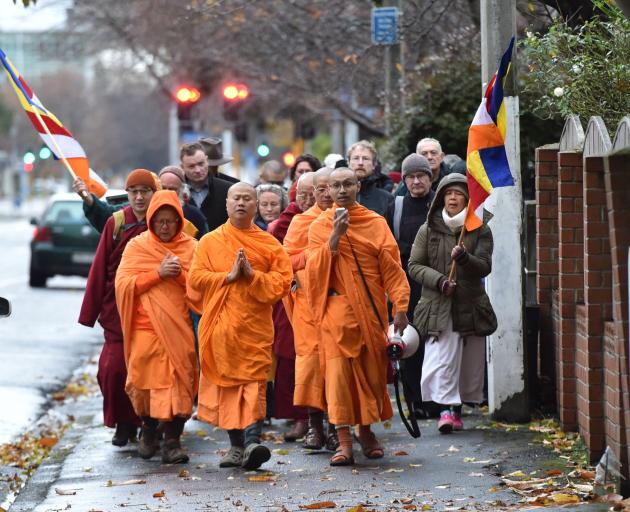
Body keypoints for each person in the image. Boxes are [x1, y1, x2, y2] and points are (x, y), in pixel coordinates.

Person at [305, 167, 410, 466]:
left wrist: (400, 305)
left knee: (370, 374)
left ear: (358, 186)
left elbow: (392, 267)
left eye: (347, 184)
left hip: (370, 312)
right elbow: (312, 274)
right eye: (334, 186)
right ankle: (344, 441)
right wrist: (334, 238)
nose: (340, 191)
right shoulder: (320, 227)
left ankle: (367, 432)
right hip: (335, 315)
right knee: (337, 379)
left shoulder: (374, 223)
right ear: (326, 190)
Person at [189, 182, 292, 470]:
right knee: (228, 387)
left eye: (248, 199)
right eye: (236, 198)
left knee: (255, 385)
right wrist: (228, 276)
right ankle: (236, 446)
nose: (241, 203)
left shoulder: (269, 244)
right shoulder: (209, 242)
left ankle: (252, 441)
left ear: (256, 206)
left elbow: (282, 283)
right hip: (221, 327)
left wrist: (254, 276)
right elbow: (195, 279)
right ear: (227, 204)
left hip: (255, 328)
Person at [407, 173, 497, 434]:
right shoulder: (428, 229)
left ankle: (456, 409)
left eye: (458, 194)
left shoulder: (481, 228)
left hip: (469, 305)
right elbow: (414, 265)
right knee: (442, 358)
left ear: (467, 199)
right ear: (440, 199)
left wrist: (466, 258)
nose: (453, 198)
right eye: (448, 194)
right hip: (438, 305)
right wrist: (439, 282)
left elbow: (485, 267)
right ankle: (445, 410)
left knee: (466, 361)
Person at [115, 190, 199, 463]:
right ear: (150, 220)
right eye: (159, 221)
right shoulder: (138, 246)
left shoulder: (191, 247)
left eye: (170, 221)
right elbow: (124, 285)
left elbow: (200, 288)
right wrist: (157, 274)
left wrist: (177, 276)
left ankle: (173, 442)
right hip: (145, 329)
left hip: (178, 329)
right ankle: (149, 430)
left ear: (179, 222)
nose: (164, 227)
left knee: (180, 382)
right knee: (145, 385)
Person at [78, 169, 157, 446]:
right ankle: (123, 423)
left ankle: (144, 423)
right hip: (117, 312)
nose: (138, 197)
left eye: (144, 191)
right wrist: (90, 312)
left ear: (153, 194)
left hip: (153, 311)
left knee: (147, 373)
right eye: (133, 191)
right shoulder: (118, 222)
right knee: (111, 372)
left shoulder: (162, 221)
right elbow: (100, 269)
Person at [283, 166, 339, 451]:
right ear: (312, 193)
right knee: (311, 367)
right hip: (308, 304)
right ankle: (315, 427)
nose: (327, 193)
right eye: (321, 189)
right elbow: (287, 260)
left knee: (340, 365)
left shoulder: (349, 218)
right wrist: (319, 253)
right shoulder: (302, 222)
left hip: (340, 303)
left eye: (332, 186)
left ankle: (338, 428)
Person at [268, 173, 316, 442]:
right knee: (290, 356)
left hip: (324, 295)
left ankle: (328, 419)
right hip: (292, 295)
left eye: (313, 192)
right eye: (302, 194)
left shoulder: (329, 216)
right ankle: (299, 417)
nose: (308, 199)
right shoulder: (285, 223)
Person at [387, 154, 435, 417]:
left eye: (421, 176)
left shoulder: (440, 203)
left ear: (430, 177)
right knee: (409, 343)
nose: (417, 181)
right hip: (406, 285)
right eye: (411, 177)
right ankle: (415, 401)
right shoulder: (396, 207)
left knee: (436, 343)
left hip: (436, 284)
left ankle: (437, 401)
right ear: (404, 180)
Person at [180, 142, 233, 231]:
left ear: (207, 161)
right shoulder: (176, 191)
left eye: (201, 164)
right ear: (182, 167)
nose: (198, 170)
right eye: (191, 166)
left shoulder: (227, 190)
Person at [157, 166, 209, 238]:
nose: (167, 193)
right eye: (163, 188)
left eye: (172, 189)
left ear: (182, 190)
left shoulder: (195, 215)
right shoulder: (148, 212)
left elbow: (205, 243)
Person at [347, 140, 393, 216]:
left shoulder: (386, 198)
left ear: (374, 164)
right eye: (356, 158)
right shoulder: (337, 195)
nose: (360, 163)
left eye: (365, 158)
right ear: (348, 162)